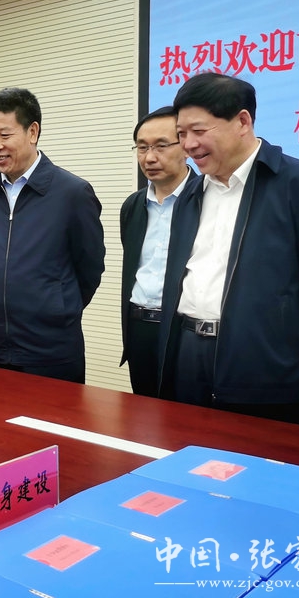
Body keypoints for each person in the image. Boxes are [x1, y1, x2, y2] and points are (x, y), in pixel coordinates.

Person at [159, 72, 299, 430]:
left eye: (199, 131)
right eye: (181, 133)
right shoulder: (191, 193)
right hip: (188, 358)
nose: (188, 145)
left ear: (242, 121)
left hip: (267, 368)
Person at [0, 87, 105, 384]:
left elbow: (89, 268)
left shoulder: (73, 193)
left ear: (32, 132)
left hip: (51, 350)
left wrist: (57, 307)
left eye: (5, 135)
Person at [119, 106, 198, 397]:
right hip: (140, 328)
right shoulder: (133, 205)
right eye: (142, 148)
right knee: (144, 415)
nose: (149, 157)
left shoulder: (205, 198)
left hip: (184, 331)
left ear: (186, 147)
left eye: (161, 146)